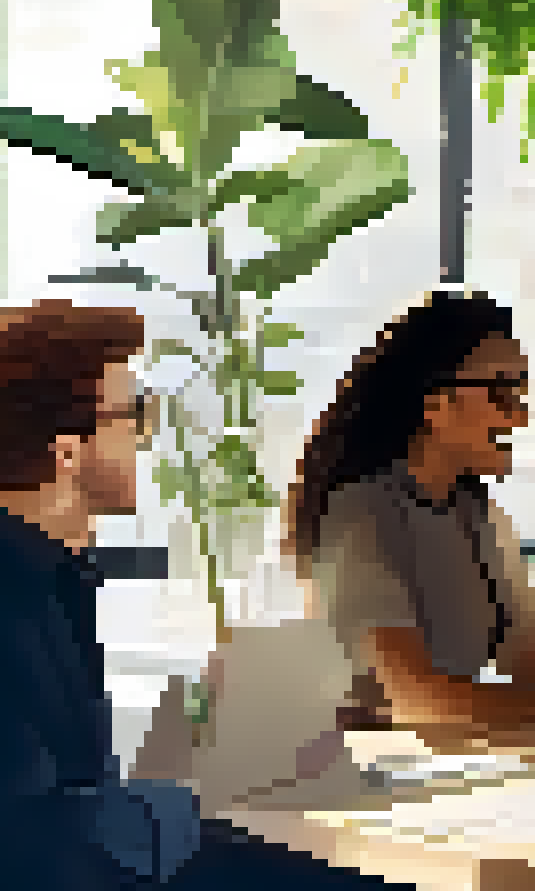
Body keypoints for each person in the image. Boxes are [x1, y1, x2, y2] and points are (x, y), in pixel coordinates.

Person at [0, 299, 404, 889]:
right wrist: (187, 802)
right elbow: (35, 838)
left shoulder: (62, 579)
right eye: (135, 411)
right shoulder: (14, 597)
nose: (148, 432)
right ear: (68, 452)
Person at [289, 289, 535, 734]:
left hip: (448, 766)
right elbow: (418, 699)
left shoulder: (478, 518)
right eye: (502, 394)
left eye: (522, 393)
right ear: (434, 406)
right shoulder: (362, 516)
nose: (520, 417)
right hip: (367, 777)